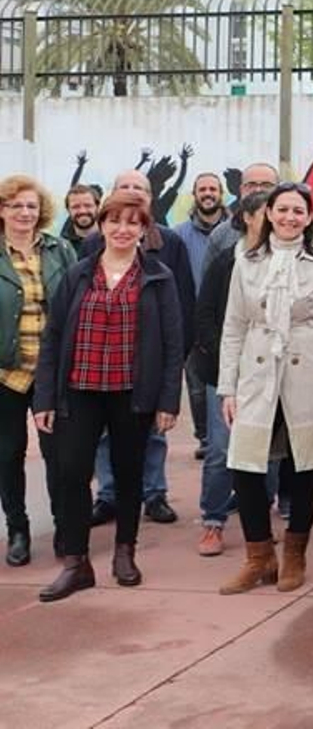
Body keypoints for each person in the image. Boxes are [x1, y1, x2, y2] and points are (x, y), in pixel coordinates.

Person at [33, 191, 184, 601]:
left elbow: (173, 343)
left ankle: (124, 552)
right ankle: (76, 563)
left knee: (129, 473)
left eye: (133, 222)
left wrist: (168, 401)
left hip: (132, 393)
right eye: (115, 220)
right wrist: (44, 397)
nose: (123, 229)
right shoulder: (78, 274)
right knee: (71, 474)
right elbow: (54, 337)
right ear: (101, 225)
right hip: (80, 390)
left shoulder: (158, 277)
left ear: (144, 229)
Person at [216, 182, 313, 596]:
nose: (291, 217)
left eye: (299, 211)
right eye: (283, 209)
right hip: (258, 368)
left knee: (303, 461)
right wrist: (228, 387)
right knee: (245, 463)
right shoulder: (247, 261)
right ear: (269, 213)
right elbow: (234, 327)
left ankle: (295, 552)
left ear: (310, 217)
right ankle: (259, 556)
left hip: (310, 368)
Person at [79, 170, 195, 529]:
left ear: (151, 198)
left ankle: (154, 492)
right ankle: (109, 495)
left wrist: (177, 359)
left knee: (154, 434)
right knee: (103, 436)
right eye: (124, 188)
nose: (132, 193)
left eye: (140, 189)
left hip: (149, 359)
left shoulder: (171, 242)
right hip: (103, 361)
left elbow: (183, 302)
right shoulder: (91, 246)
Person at [0, 176, 76, 567]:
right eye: (15, 206)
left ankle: (65, 528)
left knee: (59, 454)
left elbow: (77, 301)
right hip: (5, 375)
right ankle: (18, 529)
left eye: (30, 206)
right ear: (2, 210)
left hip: (52, 371)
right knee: (8, 453)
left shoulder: (59, 249)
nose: (24, 213)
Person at [190, 192, 269, 557]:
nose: (275, 220)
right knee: (221, 449)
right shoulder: (225, 261)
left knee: (270, 449)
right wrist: (227, 358)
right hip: (224, 371)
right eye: (267, 213)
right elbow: (204, 314)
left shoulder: (284, 263)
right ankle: (213, 522)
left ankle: (265, 514)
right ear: (247, 218)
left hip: (269, 371)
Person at [174, 171, 227, 457]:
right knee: (196, 386)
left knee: (223, 382)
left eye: (213, 189)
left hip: (226, 321)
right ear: (195, 195)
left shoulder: (235, 229)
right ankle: (205, 438)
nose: (208, 193)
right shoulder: (179, 234)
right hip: (193, 321)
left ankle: (224, 435)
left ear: (222, 193)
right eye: (202, 189)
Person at [203, 162, 280, 271]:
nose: (258, 190)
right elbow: (210, 285)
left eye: (266, 185)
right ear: (241, 190)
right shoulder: (221, 235)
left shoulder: (292, 230)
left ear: (278, 190)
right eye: (251, 185)